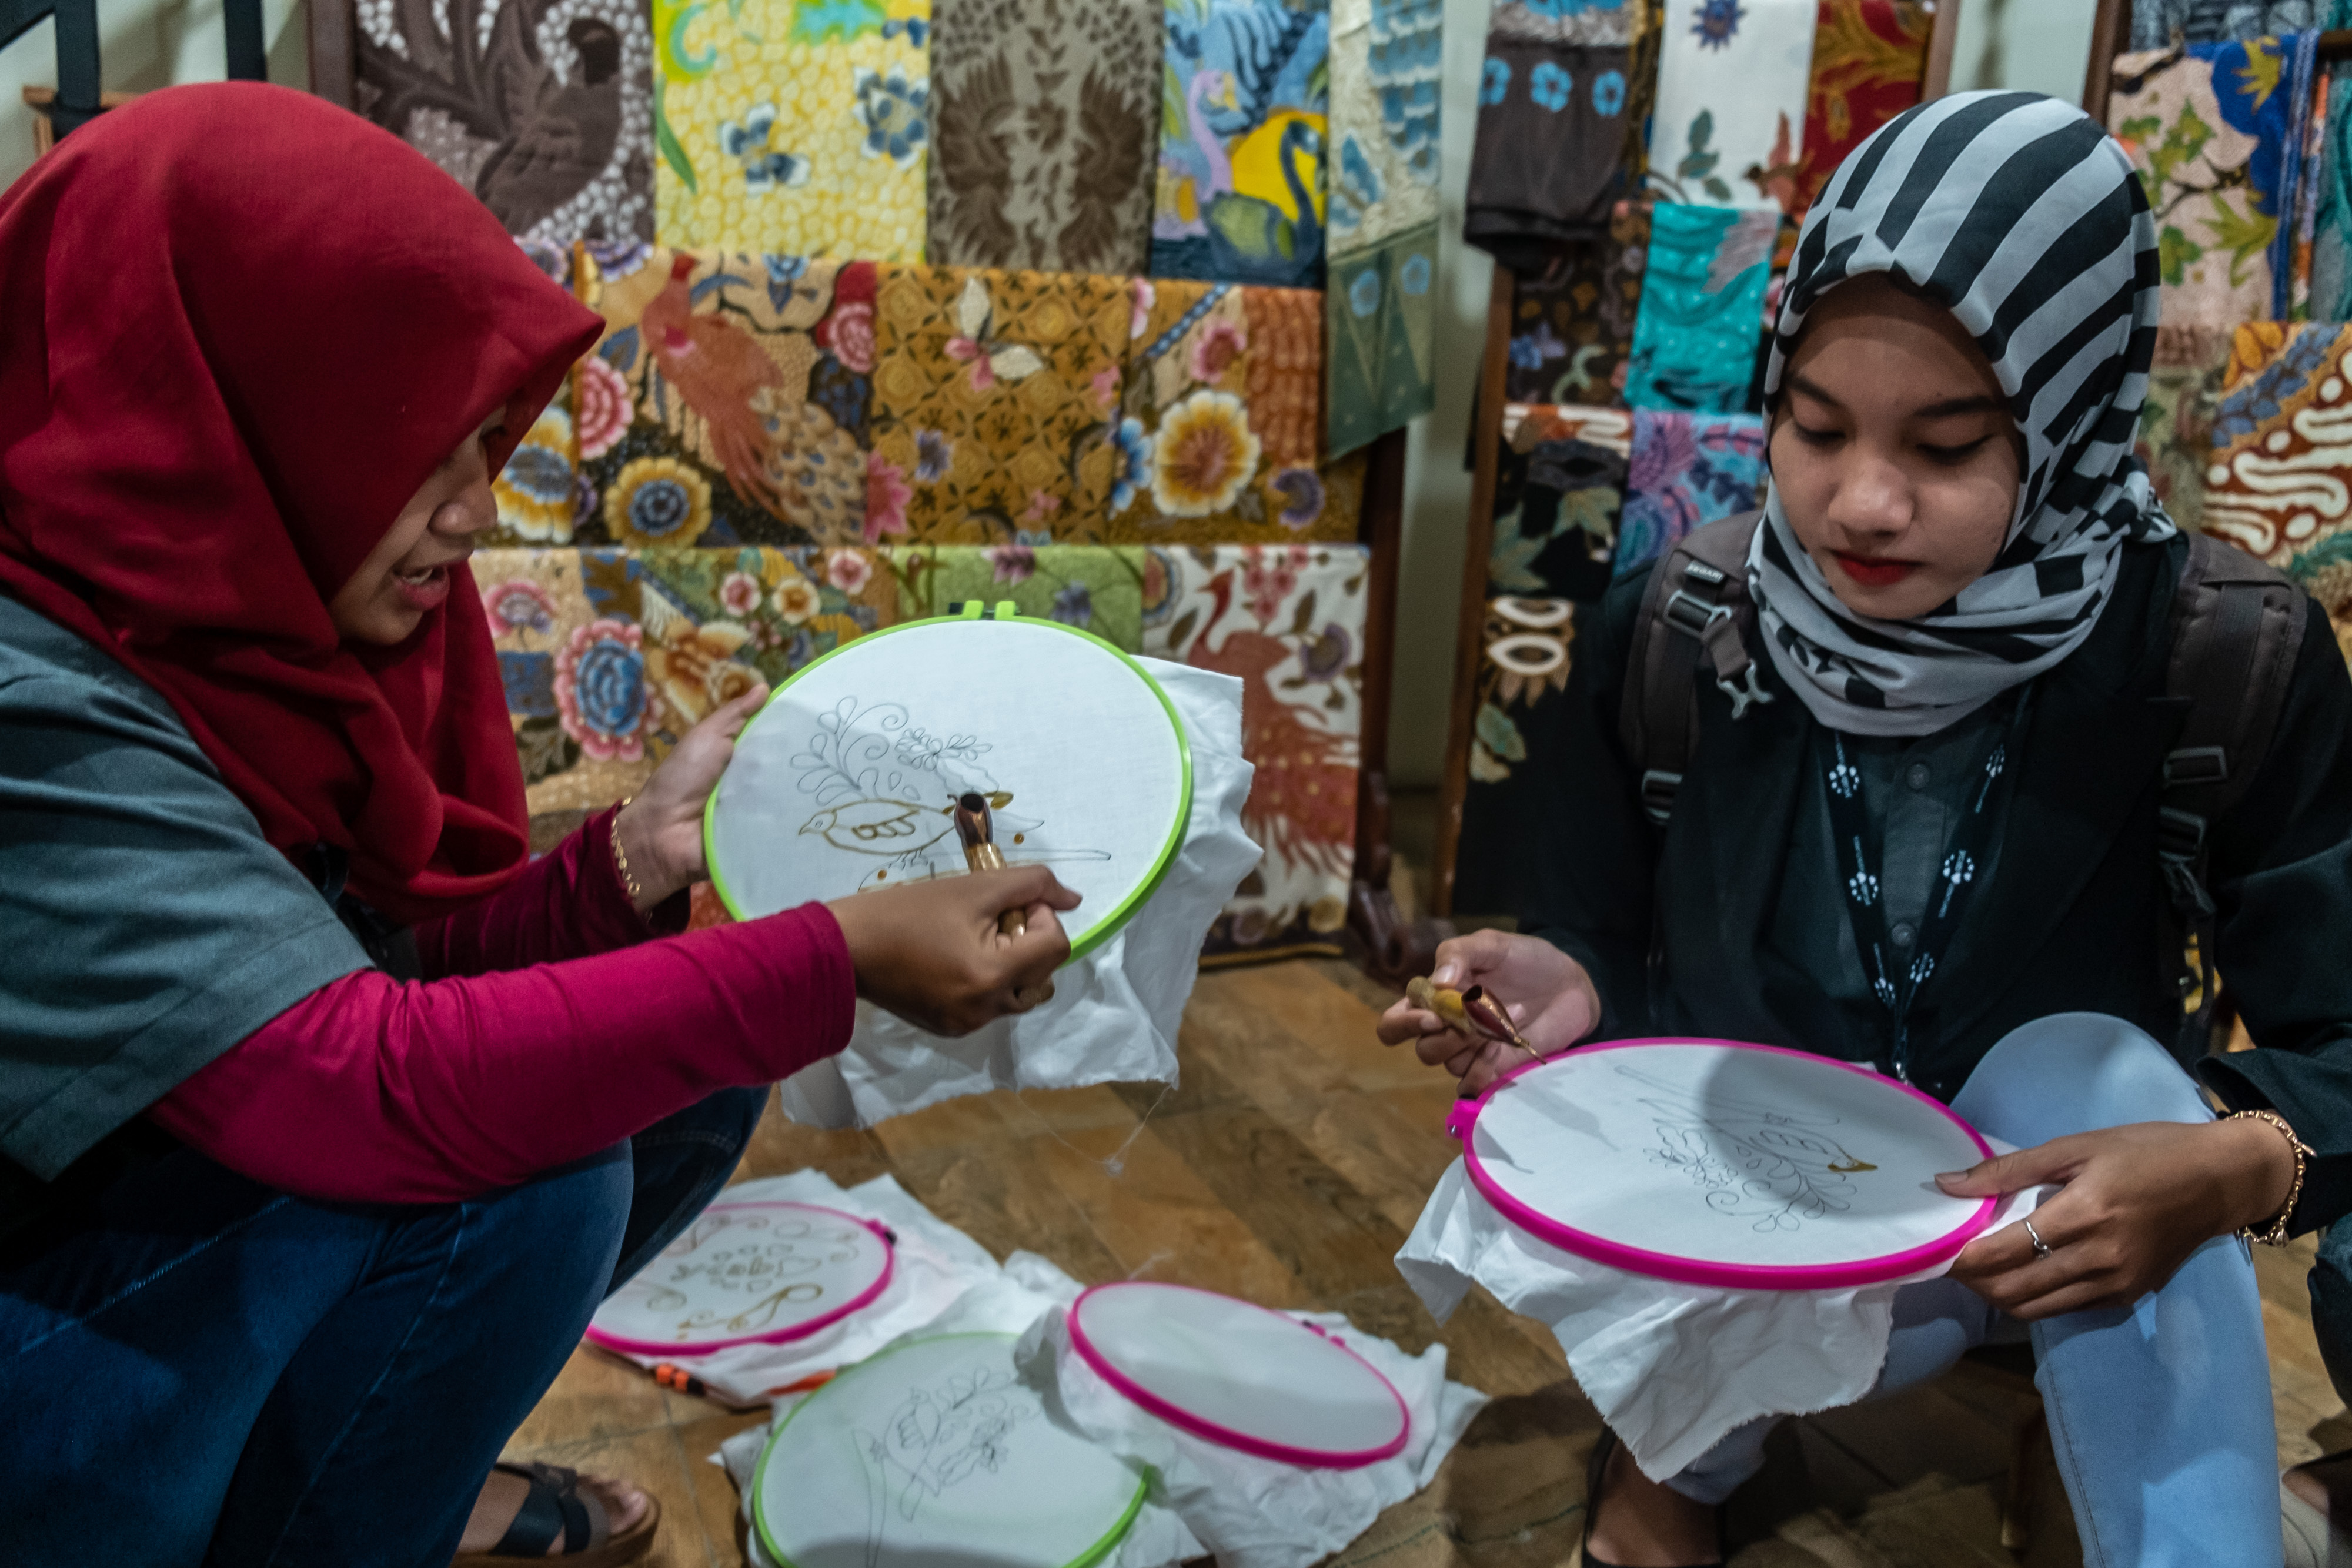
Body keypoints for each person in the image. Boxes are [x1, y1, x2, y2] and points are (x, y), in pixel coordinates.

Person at [0, 85, 1076, 1565]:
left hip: (129, 1201)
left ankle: (380, 1465)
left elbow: (328, 970)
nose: (471, 509)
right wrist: (831, 956)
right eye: (411, 446)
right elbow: (352, 1080)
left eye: (481, 441)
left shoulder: (212, 625)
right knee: (523, 1184)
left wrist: (627, 863)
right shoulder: (33, 700)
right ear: (232, 413)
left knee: (671, 1072)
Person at [1381, 92, 2352, 1568]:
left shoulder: (2217, 655)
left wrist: (2231, 1165)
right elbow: (1595, 932)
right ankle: (1677, 1447)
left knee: (2088, 1072)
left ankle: (2140, 1497)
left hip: (2064, 1221)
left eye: (1947, 445)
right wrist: (1566, 985)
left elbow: (2339, 1037)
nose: (1860, 503)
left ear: (2074, 420)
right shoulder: (1682, 628)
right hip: (1748, 1211)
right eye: (1813, 424)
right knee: (1708, 1196)